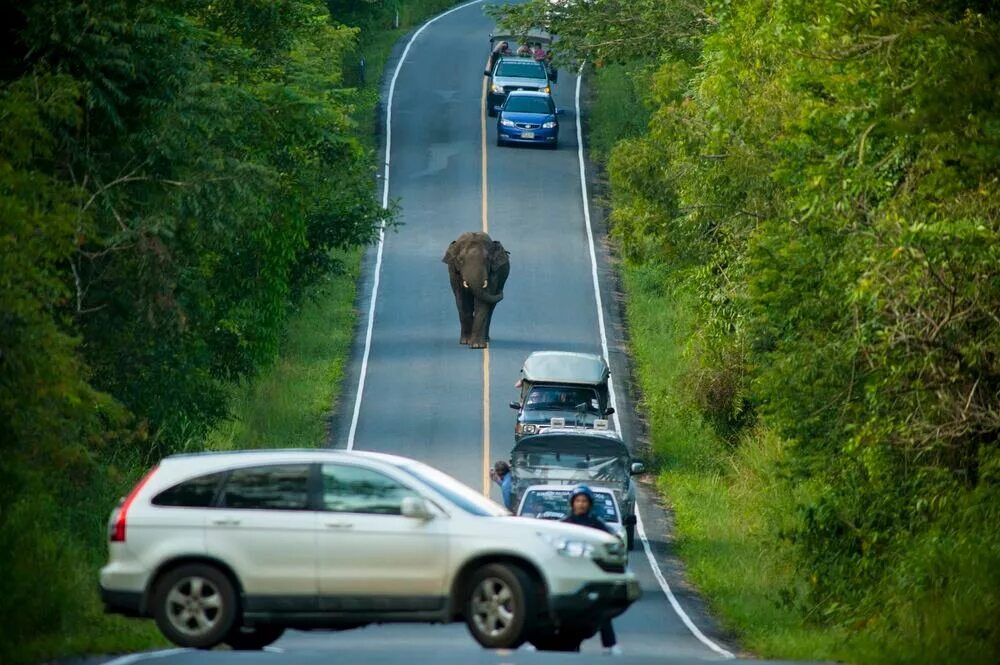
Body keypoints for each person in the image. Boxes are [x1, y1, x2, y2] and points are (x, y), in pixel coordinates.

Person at [562, 485, 623, 655]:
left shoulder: (596, 524)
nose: (581, 504)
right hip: (569, 574)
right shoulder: (564, 525)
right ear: (572, 503)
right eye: (578, 501)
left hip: (592, 574)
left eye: (584, 501)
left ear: (590, 504)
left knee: (601, 609)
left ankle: (610, 645)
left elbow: (612, 541)